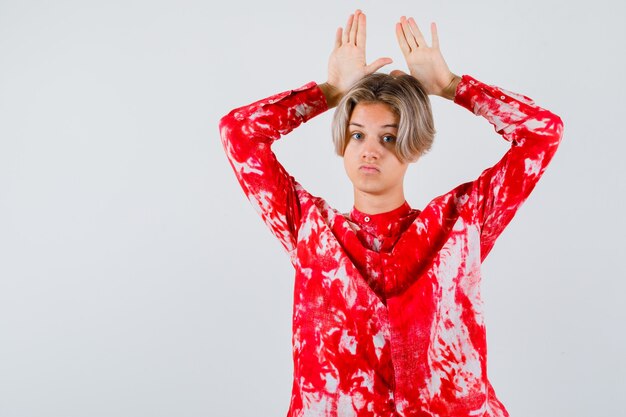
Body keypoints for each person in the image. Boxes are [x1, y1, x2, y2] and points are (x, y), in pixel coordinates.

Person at [219, 9, 563, 417]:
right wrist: (330, 92)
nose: (370, 149)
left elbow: (542, 133)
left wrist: (452, 86)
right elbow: (238, 132)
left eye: (388, 137)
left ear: (413, 146)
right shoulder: (310, 228)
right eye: (357, 134)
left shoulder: (459, 225)